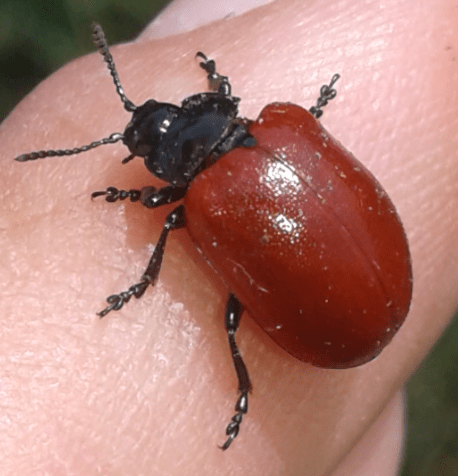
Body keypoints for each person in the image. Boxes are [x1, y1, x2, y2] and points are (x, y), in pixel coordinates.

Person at [1, 0, 457, 474]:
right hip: (359, 304)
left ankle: (232, 379)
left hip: (358, 304)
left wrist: (127, 196)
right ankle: (223, 372)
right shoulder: (280, 123)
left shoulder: (204, 202)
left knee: (225, 317)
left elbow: (158, 203)